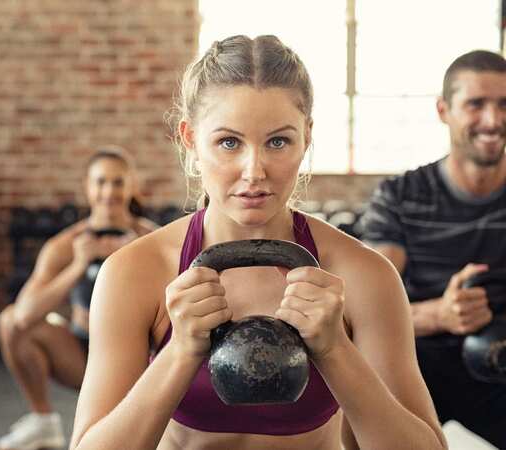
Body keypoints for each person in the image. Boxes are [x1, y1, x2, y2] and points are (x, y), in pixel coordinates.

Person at [69, 35, 447, 450]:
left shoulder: (362, 274)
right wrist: (179, 352)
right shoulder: (134, 272)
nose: (254, 171)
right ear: (191, 140)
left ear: (307, 136)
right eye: (229, 142)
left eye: (278, 141)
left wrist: (335, 349)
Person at [358, 49, 506, 447]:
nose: (493, 120)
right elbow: (365, 313)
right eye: (476, 104)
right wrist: (440, 314)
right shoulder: (401, 196)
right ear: (444, 110)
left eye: (503, 105)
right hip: (416, 368)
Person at [0, 148, 157, 450]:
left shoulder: (151, 241)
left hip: (141, 359)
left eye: (117, 182)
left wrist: (136, 260)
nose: (109, 192)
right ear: (87, 186)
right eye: (101, 182)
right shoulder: (65, 246)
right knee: (8, 320)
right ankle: (43, 421)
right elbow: (23, 316)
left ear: (131, 186)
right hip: (83, 354)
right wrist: (77, 265)